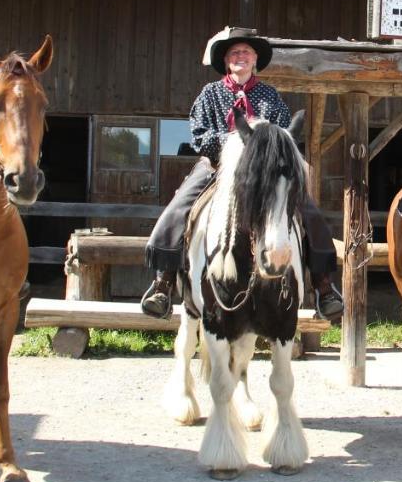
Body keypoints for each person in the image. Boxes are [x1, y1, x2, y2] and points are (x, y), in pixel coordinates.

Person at [141, 26, 345, 322]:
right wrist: (236, 145)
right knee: (177, 208)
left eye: (246, 53)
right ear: (226, 61)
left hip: (265, 173)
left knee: (310, 213)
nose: (241, 57)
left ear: (254, 61)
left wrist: (262, 150)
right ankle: (164, 281)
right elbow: (199, 134)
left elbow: (284, 133)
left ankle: (324, 286)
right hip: (216, 167)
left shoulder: (270, 96)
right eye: (234, 53)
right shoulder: (209, 94)